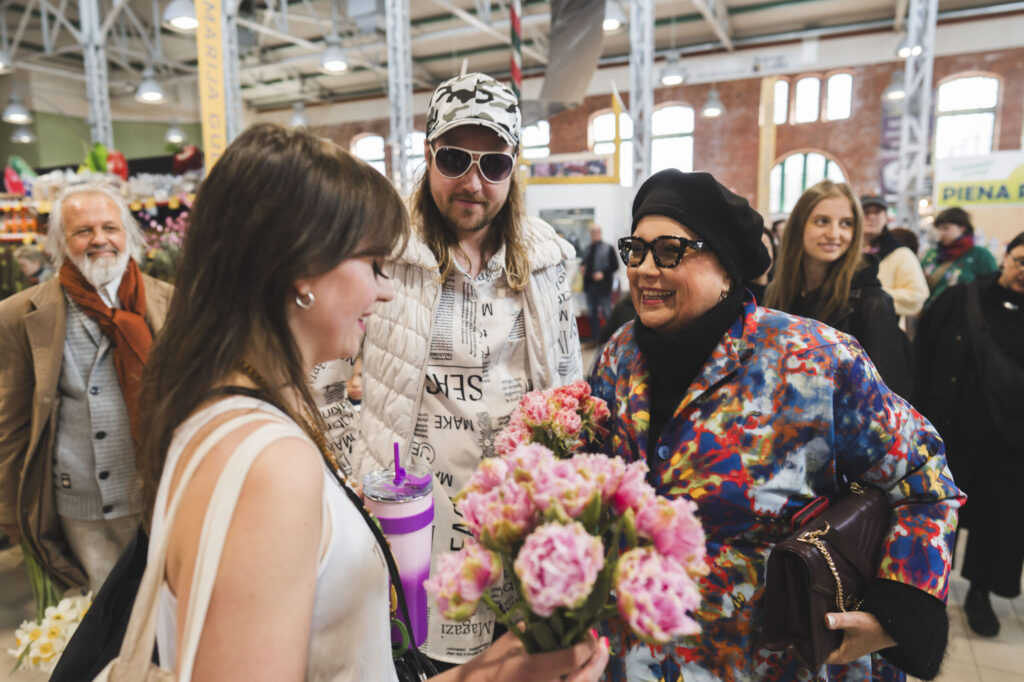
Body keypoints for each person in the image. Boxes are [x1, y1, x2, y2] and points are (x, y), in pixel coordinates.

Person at [138, 123, 607, 681]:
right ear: (300, 269)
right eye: (375, 265)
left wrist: (485, 673)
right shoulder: (269, 465)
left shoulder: (221, 415)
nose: (387, 290)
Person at [590, 169, 962, 681]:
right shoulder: (618, 356)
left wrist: (895, 610)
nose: (646, 268)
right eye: (636, 249)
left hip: (770, 659)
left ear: (726, 270)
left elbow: (923, 478)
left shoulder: (814, 360)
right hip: (636, 656)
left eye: (670, 250)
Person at [334, 72, 583, 670]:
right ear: (428, 155)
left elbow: (570, 384)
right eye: (455, 158)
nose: (474, 182)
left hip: (521, 525)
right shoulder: (381, 248)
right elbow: (323, 376)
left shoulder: (547, 260)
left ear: (514, 167)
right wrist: (359, 478)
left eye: (494, 164)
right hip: (414, 527)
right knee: (429, 665)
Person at [0, 183, 174, 593]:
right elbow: (11, 421)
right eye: (83, 231)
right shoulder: (19, 314)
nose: (99, 240)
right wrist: (9, 508)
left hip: (160, 492)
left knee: (167, 615)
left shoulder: (171, 302)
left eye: (110, 228)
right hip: (80, 507)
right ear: (60, 243)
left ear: (128, 236)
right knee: (100, 623)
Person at [914, 231, 1024, 639]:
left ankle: (980, 593)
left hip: (1011, 438)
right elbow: (923, 353)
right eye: (1020, 261)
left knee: (999, 520)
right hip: (952, 429)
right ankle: (927, 589)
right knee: (937, 514)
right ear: (1005, 258)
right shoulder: (961, 299)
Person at [765, 180, 912, 400]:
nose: (834, 234)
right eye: (822, 221)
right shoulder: (777, 290)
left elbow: (889, 402)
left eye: (846, 223)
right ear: (799, 226)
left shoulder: (871, 302)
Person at [859, 195, 929, 320]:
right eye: (866, 212)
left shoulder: (901, 254)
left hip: (884, 328)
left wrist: (871, 296)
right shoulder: (845, 252)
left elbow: (917, 295)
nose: (871, 216)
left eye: (877, 212)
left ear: (886, 217)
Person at [920, 206, 997, 308]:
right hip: (930, 314)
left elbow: (992, 288)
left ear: (962, 228)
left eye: (946, 228)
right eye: (939, 229)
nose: (941, 234)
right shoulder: (932, 254)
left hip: (964, 317)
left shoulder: (980, 255)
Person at [581, 223, 619, 343]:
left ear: (600, 233)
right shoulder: (587, 249)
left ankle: (611, 340)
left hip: (603, 287)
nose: (595, 233)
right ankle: (596, 339)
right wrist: (583, 268)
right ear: (591, 234)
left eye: (597, 231)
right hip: (590, 287)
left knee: (607, 314)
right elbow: (584, 265)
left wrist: (603, 273)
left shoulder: (608, 248)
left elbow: (615, 265)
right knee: (592, 315)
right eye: (593, 231)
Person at [744, 226, 777, 303]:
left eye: (766, 249)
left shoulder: (781, 291)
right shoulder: (737, 295)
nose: (762, 256)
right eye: (755, 249)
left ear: (773, 252)